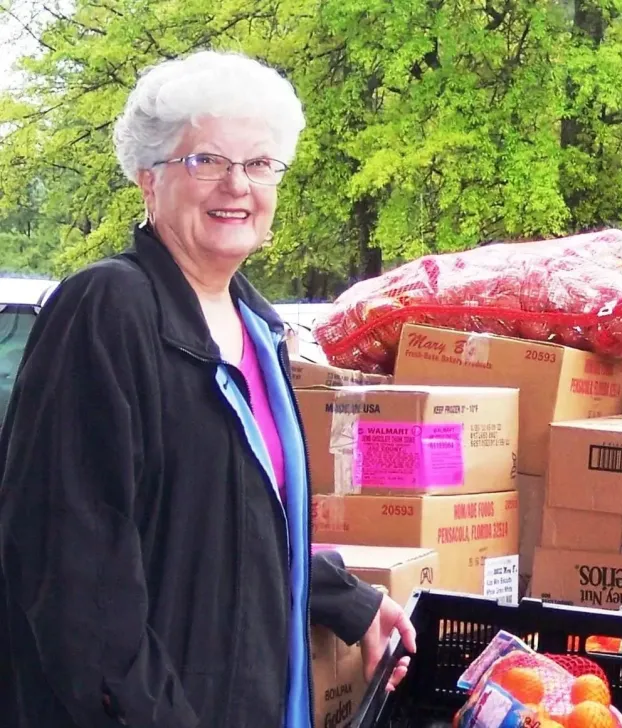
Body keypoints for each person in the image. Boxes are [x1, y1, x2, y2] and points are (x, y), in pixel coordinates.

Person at [0, 51, 416, 728]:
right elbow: (72, 571)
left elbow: (226, 518)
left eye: (259, 164)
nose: (237, 186)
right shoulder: (109, 311)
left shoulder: (255, 325)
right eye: (206, 161)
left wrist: (342, 597)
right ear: (148, 178)